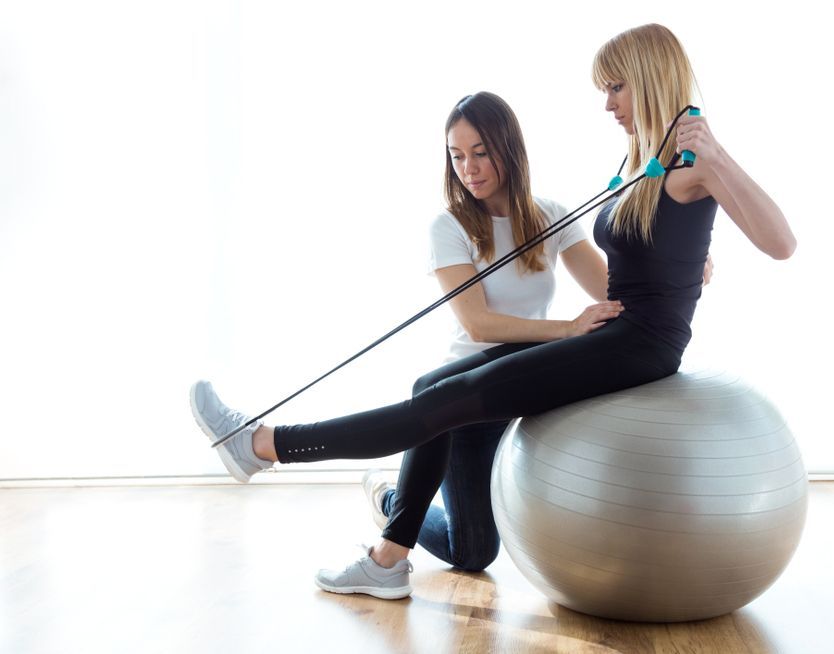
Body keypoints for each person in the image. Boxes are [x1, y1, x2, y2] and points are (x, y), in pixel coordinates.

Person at [190, 22, 794, 601]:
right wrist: (688, 265)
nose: (608, 103)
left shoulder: (696, 164)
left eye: (616, 86)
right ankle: (380, 541)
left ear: (649, 77)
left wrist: (719, 159)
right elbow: (637, 263)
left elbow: (781, 244)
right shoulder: (647, 162)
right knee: (436, 393)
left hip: (638, 345)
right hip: (621, 333)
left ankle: (263, 445)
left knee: (435, 407)